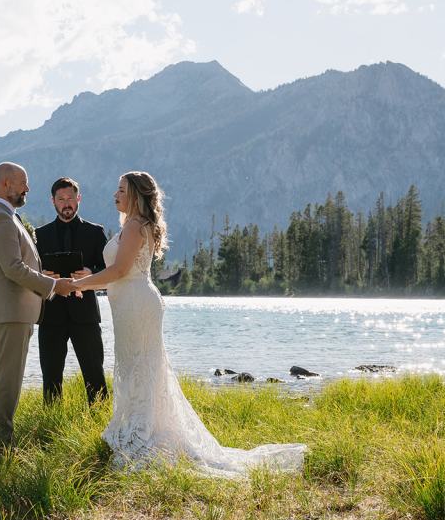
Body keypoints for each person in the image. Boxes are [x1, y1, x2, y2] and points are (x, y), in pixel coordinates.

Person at [69, 171, 306, 477]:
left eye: (122, 190)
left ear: (137, 196)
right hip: (131, 304)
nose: (116, 195)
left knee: (140, 366)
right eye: (116, 189)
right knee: (137, 366)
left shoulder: (135, 225)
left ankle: (141, 434)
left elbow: (119, 271)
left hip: (137, 306)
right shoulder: (134, 225)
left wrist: (82, 284)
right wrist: (88, 277)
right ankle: (138, 426)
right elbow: (119, 270)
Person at [0, 162, 75, 445]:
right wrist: (53, 286)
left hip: (14, 310)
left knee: (9, 377)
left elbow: (17, 266)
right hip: (9, 310)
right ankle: (1, 443)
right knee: (7, 381)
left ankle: (0, 437)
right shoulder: (0, 218)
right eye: (24, 182)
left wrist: (42, 277)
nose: (28, 188)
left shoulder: (7, 216)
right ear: (6, 185)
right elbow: (12, 268)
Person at [35, 177, 109, 405]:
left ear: (79, 199)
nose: (66, 203)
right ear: (53, 201)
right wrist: (43, 277)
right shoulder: (40, 234)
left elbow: (109, 270)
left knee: (95, 374)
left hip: (85, 315)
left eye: (70, 198)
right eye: (61, 199)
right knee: (51, 377)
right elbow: (31, 272)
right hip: (50, 316)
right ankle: (51, 424)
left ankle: (100, 421)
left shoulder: (95, 232)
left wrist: (91, 272)